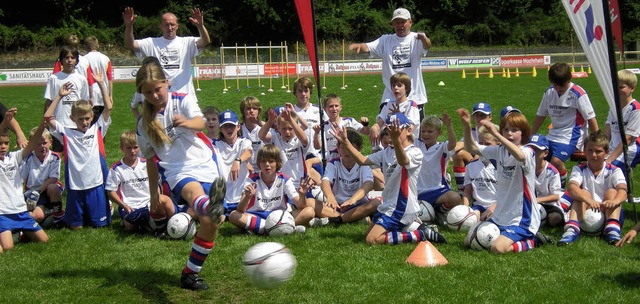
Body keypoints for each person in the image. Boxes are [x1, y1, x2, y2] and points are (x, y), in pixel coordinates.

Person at [134, 61, 225, 290]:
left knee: (211, 223)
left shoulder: (181, 99)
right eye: (148, 92)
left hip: (205, 161)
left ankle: (189, 274)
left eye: (158, 89)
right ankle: (209, 205)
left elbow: (201, 122)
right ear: (141, 94)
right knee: (195, 194)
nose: (155, 95)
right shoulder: (143, 124)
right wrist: (153, 192)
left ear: (167, 83)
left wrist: (186, 122)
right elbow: (151, 162)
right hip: (176, 170)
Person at [332, 113, 446, 245]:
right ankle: (409, 228)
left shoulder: (415, 152)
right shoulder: (387, 151)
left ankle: (419, 234)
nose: (392, 134)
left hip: (401, 207)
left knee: (372, 240)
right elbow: (363, 160)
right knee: (368, 235)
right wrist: (345, 142)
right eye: (389, 130)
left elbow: (403, 161)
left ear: (409, 130)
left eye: (396, 130)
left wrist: (396, 140)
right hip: (387, 205)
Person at [458, 108, 552, 254]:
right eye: (506, 129)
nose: (509, 133)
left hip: (522, 217)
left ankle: (534, 240)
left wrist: (496, 134)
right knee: (469, 241)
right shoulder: (499, 151)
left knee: (498, 248)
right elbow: (471, 147)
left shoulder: (528, 151)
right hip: (501, 215)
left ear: (523, 133)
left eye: (514, 130)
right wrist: (466, 126)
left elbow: (520, 156)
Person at [44, 69, 112, 229]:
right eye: (80, 119)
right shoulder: (66, 133)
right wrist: (59, 96)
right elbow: (47, 117)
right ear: (72, 118)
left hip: (95, 184)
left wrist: (101, 83)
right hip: (75, 186)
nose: (84, 122)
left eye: (87, 118)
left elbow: (108, 107)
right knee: (76, 227)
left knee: (98, 225)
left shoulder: (97, 130)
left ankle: (105, 204)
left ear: (92, 117)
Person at [348, 8, 430, 121]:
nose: (400, 25)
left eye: (403, 22)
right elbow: (368, 46)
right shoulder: (385, 40)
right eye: (397, 22)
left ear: (410, 22)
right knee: (386, 134)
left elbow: (427, 46)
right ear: (393, 24)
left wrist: (424, 39)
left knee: (414, 135)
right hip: (390, 97)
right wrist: (360, 47)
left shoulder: (417, 38)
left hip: (415, 96)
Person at [531, 62, 599, 187]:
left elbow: (591, 118)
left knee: (556, 161)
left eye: (562, 85)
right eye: (555, 84)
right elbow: (541, 115)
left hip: (572, 136)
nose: (558, 88)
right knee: (536, 156)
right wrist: (531, 134)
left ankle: (561, 186)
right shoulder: (549, 92)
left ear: (569, 79)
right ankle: (543, 188)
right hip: (553, 134)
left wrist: (597, 141)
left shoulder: (578, 93)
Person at [123, 7, 211, 99]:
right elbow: (130, 44)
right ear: (161, 26)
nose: (170, 28)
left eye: (172, 24)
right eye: (166, 25)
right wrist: (129, 26)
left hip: (185, 97)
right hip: (160, 98)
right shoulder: (151, 43)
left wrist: (200, 26)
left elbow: (205, 41)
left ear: (177, 26)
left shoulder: (187, 42)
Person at [558, 131, 627, 246]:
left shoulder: (614, 170)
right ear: (584, 152)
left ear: (606, 153)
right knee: (581, 193)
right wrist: (589, 200)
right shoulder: (579, 169)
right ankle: (571, 230)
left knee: (612, 192)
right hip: (588, 207)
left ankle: (612, 230)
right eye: (590, 151)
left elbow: (623, 191)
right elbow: (572, 188)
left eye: (598, 151)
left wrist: (614, 201)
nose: (593, 155)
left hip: (608, 209)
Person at [228, 144, 313, 234]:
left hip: (280, 215)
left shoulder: (284, 179)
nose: (267, 165)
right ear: (259, 164)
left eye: (271, 161)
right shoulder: (251, 180)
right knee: (233, 215)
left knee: (309, 211)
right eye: (263, 162)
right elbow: (241, 210)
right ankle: (284, 228)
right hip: (258, 216)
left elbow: (301, 206)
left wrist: (302, 195)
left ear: (277, 163)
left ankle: (261, 229)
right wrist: (247, 197)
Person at [105, 131, 175, 233]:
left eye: (135, 147)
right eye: (129, 148)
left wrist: (156, 198)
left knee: (166, 200)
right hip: (130, 206)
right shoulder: (116, 169)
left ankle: (171, 224)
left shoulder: (147, 164)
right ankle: (140, 224)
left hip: (148, 202)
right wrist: (124, 205)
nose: (132, 151)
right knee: (130, 227)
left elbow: (156, 183)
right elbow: (111, 191)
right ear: (122, 148)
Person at [0, 109, 49, 253]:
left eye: (6, 143)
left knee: (44, 240)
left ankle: (20, 231)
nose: (3, 147)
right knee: (8, 247)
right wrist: (4, 122)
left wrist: (42, 125)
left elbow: (33, 143)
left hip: (21, 211)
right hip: (3, 213)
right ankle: (14, 233)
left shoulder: (14, 157)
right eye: (0, 143)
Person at [316, 129, 379, 225]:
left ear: (359, 149)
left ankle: (336, 219)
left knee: (375, 203)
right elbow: (325, 181)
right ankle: (353, 218)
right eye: (343, 147)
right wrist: (330, 197)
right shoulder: (333, 163)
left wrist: (353, 199)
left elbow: (368, 183)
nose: (346, 152)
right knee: (311, 203)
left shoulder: (364, 164)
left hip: (358, 205)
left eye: (350, 148)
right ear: (338, 148)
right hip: (337, 206)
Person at [415, 114, 462, 224]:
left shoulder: (442, 147)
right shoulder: (416, 144)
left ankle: (439, 212)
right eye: (423, 131)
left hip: (437, 190)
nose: (426, 134)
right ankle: (429, 212)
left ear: (439, 133)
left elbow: (452, 144)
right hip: (417, 191)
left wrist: (449, 126)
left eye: (430, 131)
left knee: (455, 198)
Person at [43, 46, 91, 152]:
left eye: (72, 57)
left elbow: (85, 103)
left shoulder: (81, 79)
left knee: (76, 156)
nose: (69, 60)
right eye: (66, 57)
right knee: (57, 157)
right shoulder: (53, 78)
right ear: (61, 60)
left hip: (76, 124)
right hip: (58, 123)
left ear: (76, 60)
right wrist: (46, 122)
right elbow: (48, 102)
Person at [20, 126, 64, 227]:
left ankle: (57, 216)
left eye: (44, 143)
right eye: (38, 144)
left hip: (48, 191)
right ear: (32, 144)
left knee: (53, 187)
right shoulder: (27, 158)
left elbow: (53, 178)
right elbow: (21, 179)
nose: (42, 146)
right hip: (33, 193)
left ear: (51, 142)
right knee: (37, 216)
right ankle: (48, 213)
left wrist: (38, 191)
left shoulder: (55, 157)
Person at [212, 110, 252, 216]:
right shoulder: (215, 145)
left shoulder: (244, 141)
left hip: (241, 190)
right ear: (221, 129)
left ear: (238, 127)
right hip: (223, 193)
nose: (229, 129)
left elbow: (248, 152)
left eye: (232, 126)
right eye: (225, 126)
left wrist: (237, 161)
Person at [313, 93, 370, 160]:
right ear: (325, 109)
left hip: (350, 157)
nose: (334, 109)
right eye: (331, 106)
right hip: (331, 160)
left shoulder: (349, 121)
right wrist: (316, 133)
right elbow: (317, 146)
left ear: (340, 107)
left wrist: (365, 124)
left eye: (336, 106)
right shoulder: (323, 126)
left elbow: (366, 132)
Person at [370, 72, 421, 146]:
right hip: (388, 143)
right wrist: (375, 127)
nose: (395, 88)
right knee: (375, 142)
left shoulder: (411, 105)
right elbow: (381, 120)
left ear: (406, 88)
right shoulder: (389, 104)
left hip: (406, 144)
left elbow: (410, 127)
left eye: (399, 85)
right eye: (393, 85)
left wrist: (399, 116)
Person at [526, 134, 565, 228]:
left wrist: (536, 200)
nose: (533, 153)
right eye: (530, 150)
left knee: (555, 219)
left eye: (537, 150)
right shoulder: (525, 167)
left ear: (546, 153)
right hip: (529, 203)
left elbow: (555, 196)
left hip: (548, 204)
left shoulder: (552, 172)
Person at [605, 69, 640, 170]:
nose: (617, 90)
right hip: (614, 148)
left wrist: (609, 159)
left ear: (632, 88)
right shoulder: (613, 107)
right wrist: (602, 150)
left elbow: (628, 139)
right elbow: (607, 133)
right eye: (615, 87)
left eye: (621, 87)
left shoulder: (635, 108)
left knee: (610, 170)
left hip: (630, 149)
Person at [452, 102, 493, 189]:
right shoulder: (473, 131)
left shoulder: (494, 131)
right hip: (475, 161)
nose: (479, 118)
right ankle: (462, 190)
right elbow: (462, 143)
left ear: (490, 117)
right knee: (458, 154)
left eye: (483, 115)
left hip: (491, 161)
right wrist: (447, 152)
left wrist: (478, 155)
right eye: (476, 115)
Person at [462, 126, 497, 220]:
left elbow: (506, 195)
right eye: (481, 143)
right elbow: (467, 190)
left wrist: (492, 209)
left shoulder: (502, 167)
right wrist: (465, 209)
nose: (483, 147)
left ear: (498, 144)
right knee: (469, 221)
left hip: (498, 206)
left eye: (488, 144)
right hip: (478, 206)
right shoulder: (471, 165)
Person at [83, 36, 113, 122]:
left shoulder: (84, 59)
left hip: (89, 94)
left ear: (86, 46)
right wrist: (110, 95)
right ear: (97, 45)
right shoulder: (106, 58)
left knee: (90, 122)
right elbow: (110, 78)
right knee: (102, 123)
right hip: (103, 93)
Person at [239, 96, 264, 173]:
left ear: (259, 111)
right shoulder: (238, 129)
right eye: (248, 108)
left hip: (263, 169)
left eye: (255, 108)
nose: (252, 111)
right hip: (245, 168)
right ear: (243, 111)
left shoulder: (263, 128)